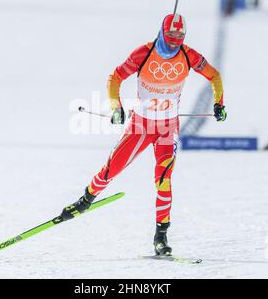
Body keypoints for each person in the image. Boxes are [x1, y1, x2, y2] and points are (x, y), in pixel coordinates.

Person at [61, 13, 227, 256]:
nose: (174, 40)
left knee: (164, 180)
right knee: (112, 169)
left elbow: (215, 75)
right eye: (170, 35)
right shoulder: (145, 53)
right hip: (141, 126)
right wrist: (116, 107)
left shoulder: (189, 56)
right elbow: (115, 77)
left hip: (167, 128)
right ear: (162, 31)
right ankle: (85, 199)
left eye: (180, 36)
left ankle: (161, 235)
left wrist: (219, 103)